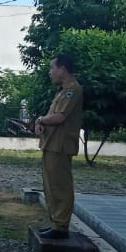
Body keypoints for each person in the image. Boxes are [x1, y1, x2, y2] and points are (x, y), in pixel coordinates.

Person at [33, 54, 84, 239]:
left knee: (60, 186)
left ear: (63, 69)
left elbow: (60, 117)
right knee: (51, 186)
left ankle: (61, 226)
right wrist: (41, 123)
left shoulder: (72, 90)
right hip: (51, 144)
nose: (50, 72)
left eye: (52, 68)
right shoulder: (62, 92)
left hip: (61, 146)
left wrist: (41, 119)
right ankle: (56, 224)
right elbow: (51, 117)